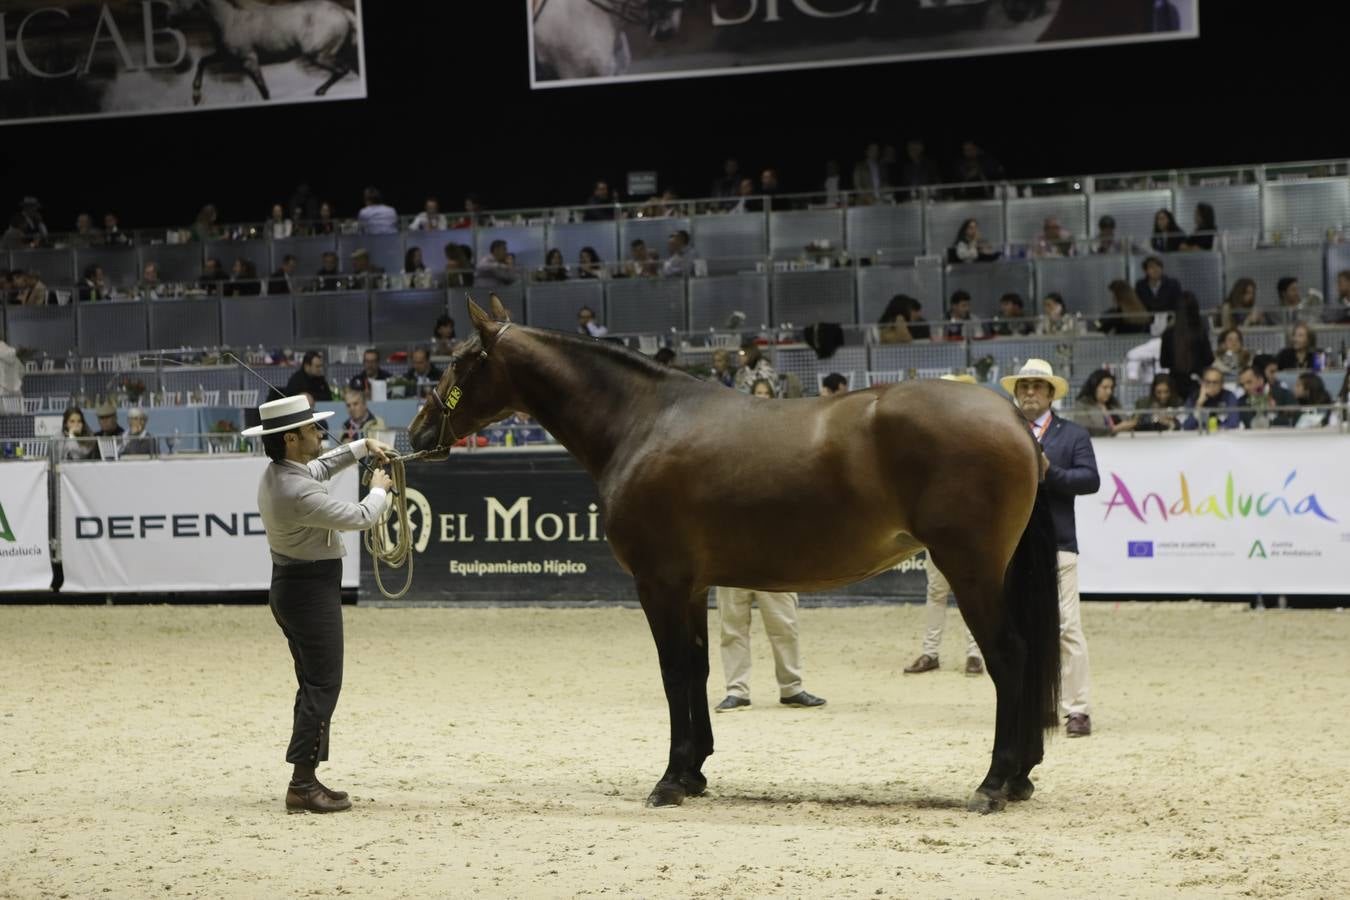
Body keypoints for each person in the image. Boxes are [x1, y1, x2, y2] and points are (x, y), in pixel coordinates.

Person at [243, 396, 395, 813]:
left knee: (314, 683)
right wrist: (379, 491)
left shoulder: (281, 472)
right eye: (311, 429)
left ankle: (305, 777)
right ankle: (302, 783)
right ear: (291, 439)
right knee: (324, 683)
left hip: (298, 586)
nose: (318, 433)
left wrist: (362, 447)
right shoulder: (294, 491)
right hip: (308, 590)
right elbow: (361, 516)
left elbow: (323, 466)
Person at [999, 360, 1100, 738]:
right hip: (1013, 545)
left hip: (1057, 543)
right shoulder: (1002, 432)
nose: (1029, 392)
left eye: (1037, 387)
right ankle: (1035, 705)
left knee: (1067, 627)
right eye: (1024, 386)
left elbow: (1090, 480)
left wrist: (1048, 470)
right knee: (1022, 627)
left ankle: (1077, 708)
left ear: (1050, 394)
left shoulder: (1072, 435)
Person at [712, 384, 826, 713]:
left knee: (784, 624)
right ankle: (737, 690)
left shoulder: (784, 451)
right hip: (731, 552)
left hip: (774, 553)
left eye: (765, 394)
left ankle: (792, 687)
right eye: (755, 395)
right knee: (732, 627)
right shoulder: (721, 453)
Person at [904, 373, 983, 676]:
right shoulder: (932, 443)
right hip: (940, 530)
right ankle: (930, 652)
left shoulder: (974, 437)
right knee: (937, 591)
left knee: (967, 591)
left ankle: (974, 654)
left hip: (968, 530)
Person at [1159, 291, 1214, 393]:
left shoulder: (1168, 334)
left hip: (1174, 384)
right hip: (1197, 382)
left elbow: (1164, 362)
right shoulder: (1200, 332)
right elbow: (1209, 359)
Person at [1072, 369, 1136, 437]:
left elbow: (1125, 420)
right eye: (1105, 388)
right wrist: (1114, 429)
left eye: (1111, 388)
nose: (1109, 392)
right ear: (1094, 387)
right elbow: (1084, 429)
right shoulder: (1082, 404)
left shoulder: (1114, 403)